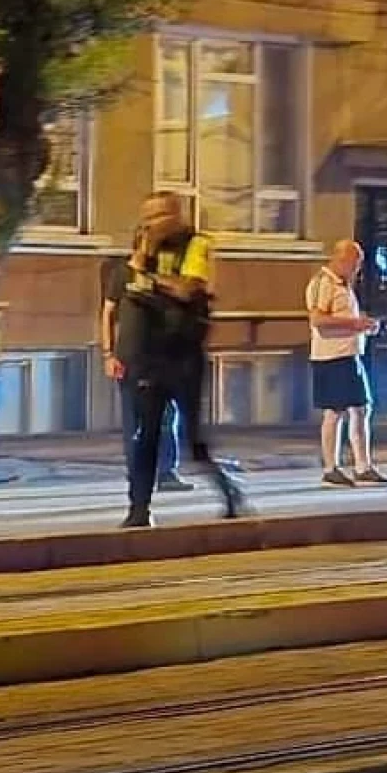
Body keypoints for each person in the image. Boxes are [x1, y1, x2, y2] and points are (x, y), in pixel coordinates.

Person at [117, 192, 244, 530]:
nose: (150, 225)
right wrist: (143, 260)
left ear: (175, 215)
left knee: (193, 439)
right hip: (150, 357)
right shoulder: (145, 249)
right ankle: (138, 509)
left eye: (157, 217)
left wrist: (149, 280)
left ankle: (230, 493)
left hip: (184, 357)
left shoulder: (196, 243)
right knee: (145, 437)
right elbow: (127, 292)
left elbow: (188, 289)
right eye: (146, 218)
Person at [100, 232, 188, 492]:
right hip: (130, 358)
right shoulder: (121, 275)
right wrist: (108, 354)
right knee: (135, 421)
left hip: (162, 358)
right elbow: (108, 314)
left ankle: (167, 472)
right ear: (139, 245)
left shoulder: (162, 277)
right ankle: (138, 474)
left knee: (167, 415)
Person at [305, 239, 387, 487]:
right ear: (341, 259)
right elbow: (318, 319)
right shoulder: (323, 282)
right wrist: (355, 324)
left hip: (349, 354)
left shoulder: (343, 285)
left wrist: (363, 326)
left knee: (361, 408)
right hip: (331, 356)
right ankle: (331, 467)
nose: (357, 270)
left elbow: (341, 318)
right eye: (355, 264)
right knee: (335, 411)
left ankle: (362, 466)